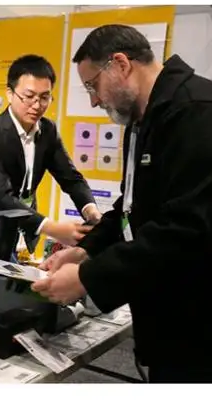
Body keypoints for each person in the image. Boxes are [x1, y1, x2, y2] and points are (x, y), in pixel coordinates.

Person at [31, 24, 212, 383]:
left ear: (121, 64)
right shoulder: (144, 119)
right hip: (164, 320)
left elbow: (186, 229)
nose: (94, 101)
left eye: (92, 86)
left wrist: (87, 278)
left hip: (198, 329)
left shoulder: (196, 113)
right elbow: (131, 208)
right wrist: (85, 250)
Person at [0, 53, 99, 277]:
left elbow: (71, 178)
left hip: (12, 234)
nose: (37, 106)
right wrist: (52, 228)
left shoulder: (47, 131)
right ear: (10, 93)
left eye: (45, 97)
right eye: (29, 97)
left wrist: (91, 210)